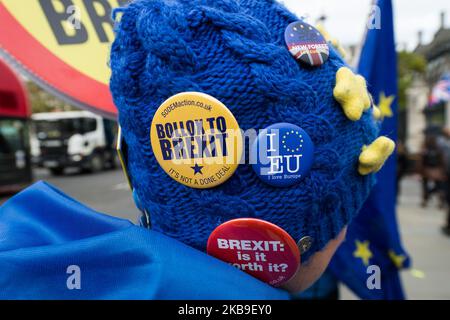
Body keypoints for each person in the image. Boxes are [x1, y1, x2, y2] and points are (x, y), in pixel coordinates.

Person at [418, 135, 446, 208]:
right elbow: (442, 161)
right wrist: (442, 170)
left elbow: (421, 162)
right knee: (439, 186)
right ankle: (440, 201)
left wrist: (420, 171)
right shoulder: (438, 150)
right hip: (436, 170)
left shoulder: (425, 150)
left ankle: (425, 199)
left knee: (425, 186)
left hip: (426, 170)